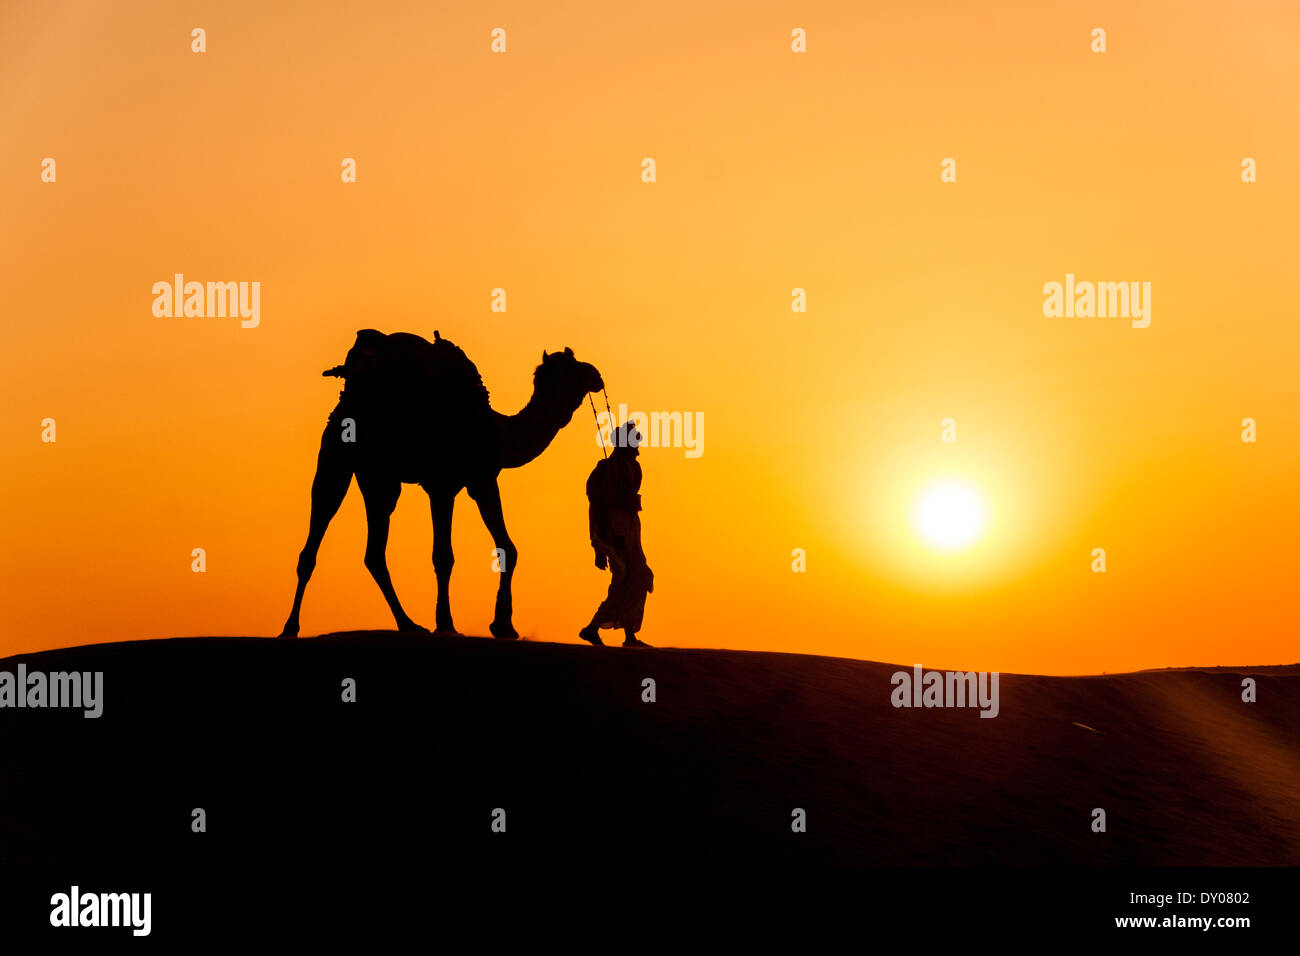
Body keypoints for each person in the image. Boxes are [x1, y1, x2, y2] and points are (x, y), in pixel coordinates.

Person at [579, 422, 653, 647]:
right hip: (613, 532)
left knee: (640, 577)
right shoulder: (604, 471)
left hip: (631, 530)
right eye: (634, 443)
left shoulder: (633, 468)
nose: (638, 448)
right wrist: (598, 547)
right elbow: (596, 508)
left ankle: (629, 635)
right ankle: (592, 628)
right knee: (621, 580)